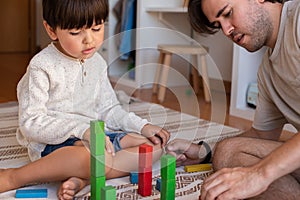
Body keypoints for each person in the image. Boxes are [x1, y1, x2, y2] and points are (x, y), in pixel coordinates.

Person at [0, 0, 170, 199]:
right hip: (56, 144)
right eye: (75, 33)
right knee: (96, 157)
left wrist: (142, 126)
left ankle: (83, 178)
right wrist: (82, 131)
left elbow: (110, 109)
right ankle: (15, 177)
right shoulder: (41, 66)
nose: (89, 40)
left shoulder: (97, 62)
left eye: (97, 28)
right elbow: (31, 123)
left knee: (153, 147)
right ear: (51, 30)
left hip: (96, 139)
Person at [166, 0, 300, 199]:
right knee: (227, 151)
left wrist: (260, 174)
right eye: (219, 24)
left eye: (228, 13)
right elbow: (262, 136)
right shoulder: (267, 72)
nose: (227, 30)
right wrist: (204, 151)